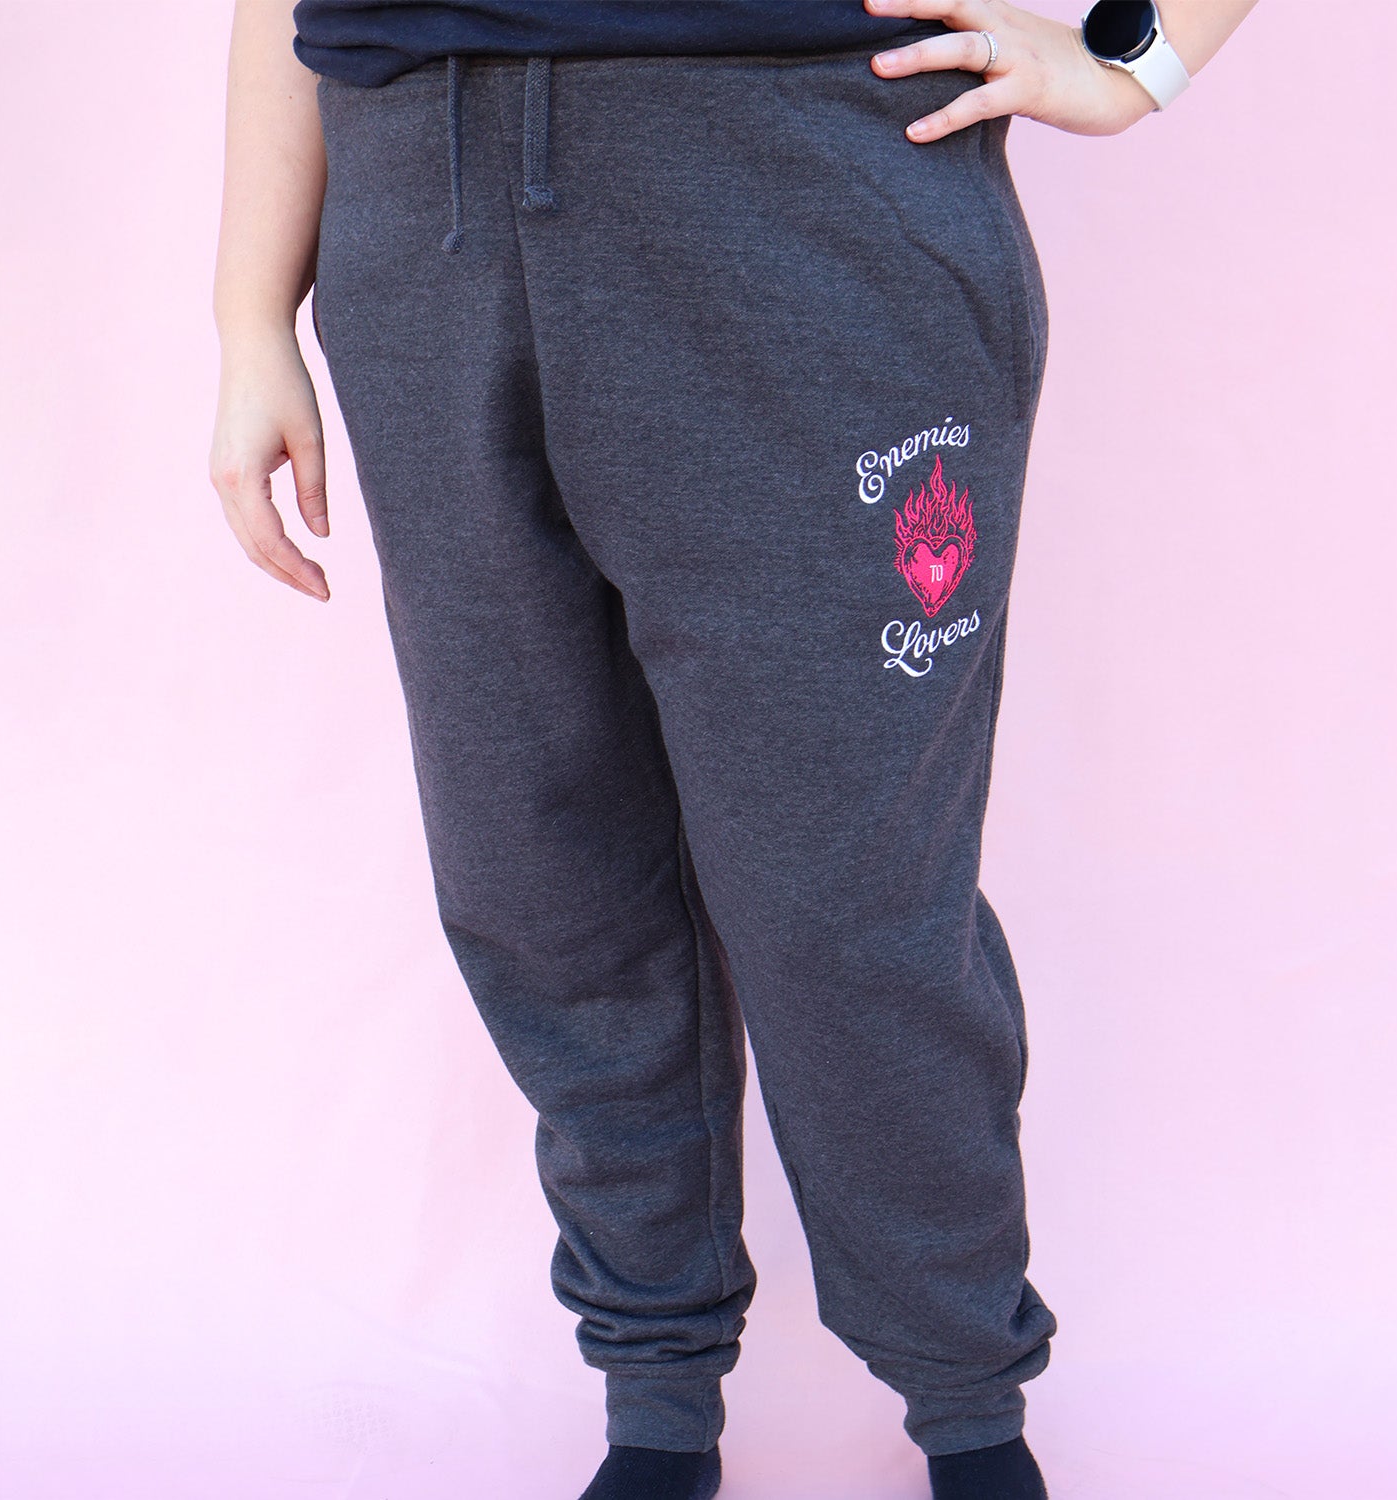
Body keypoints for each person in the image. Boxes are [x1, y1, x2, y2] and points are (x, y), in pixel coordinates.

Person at [209, 2, 1257, 1496]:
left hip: (804, 197)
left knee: (849, 900)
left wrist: (1137, 63)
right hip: (414, 218)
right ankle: (656, 1404)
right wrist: (249, 313)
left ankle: (970, 1413)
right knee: (539, 876)